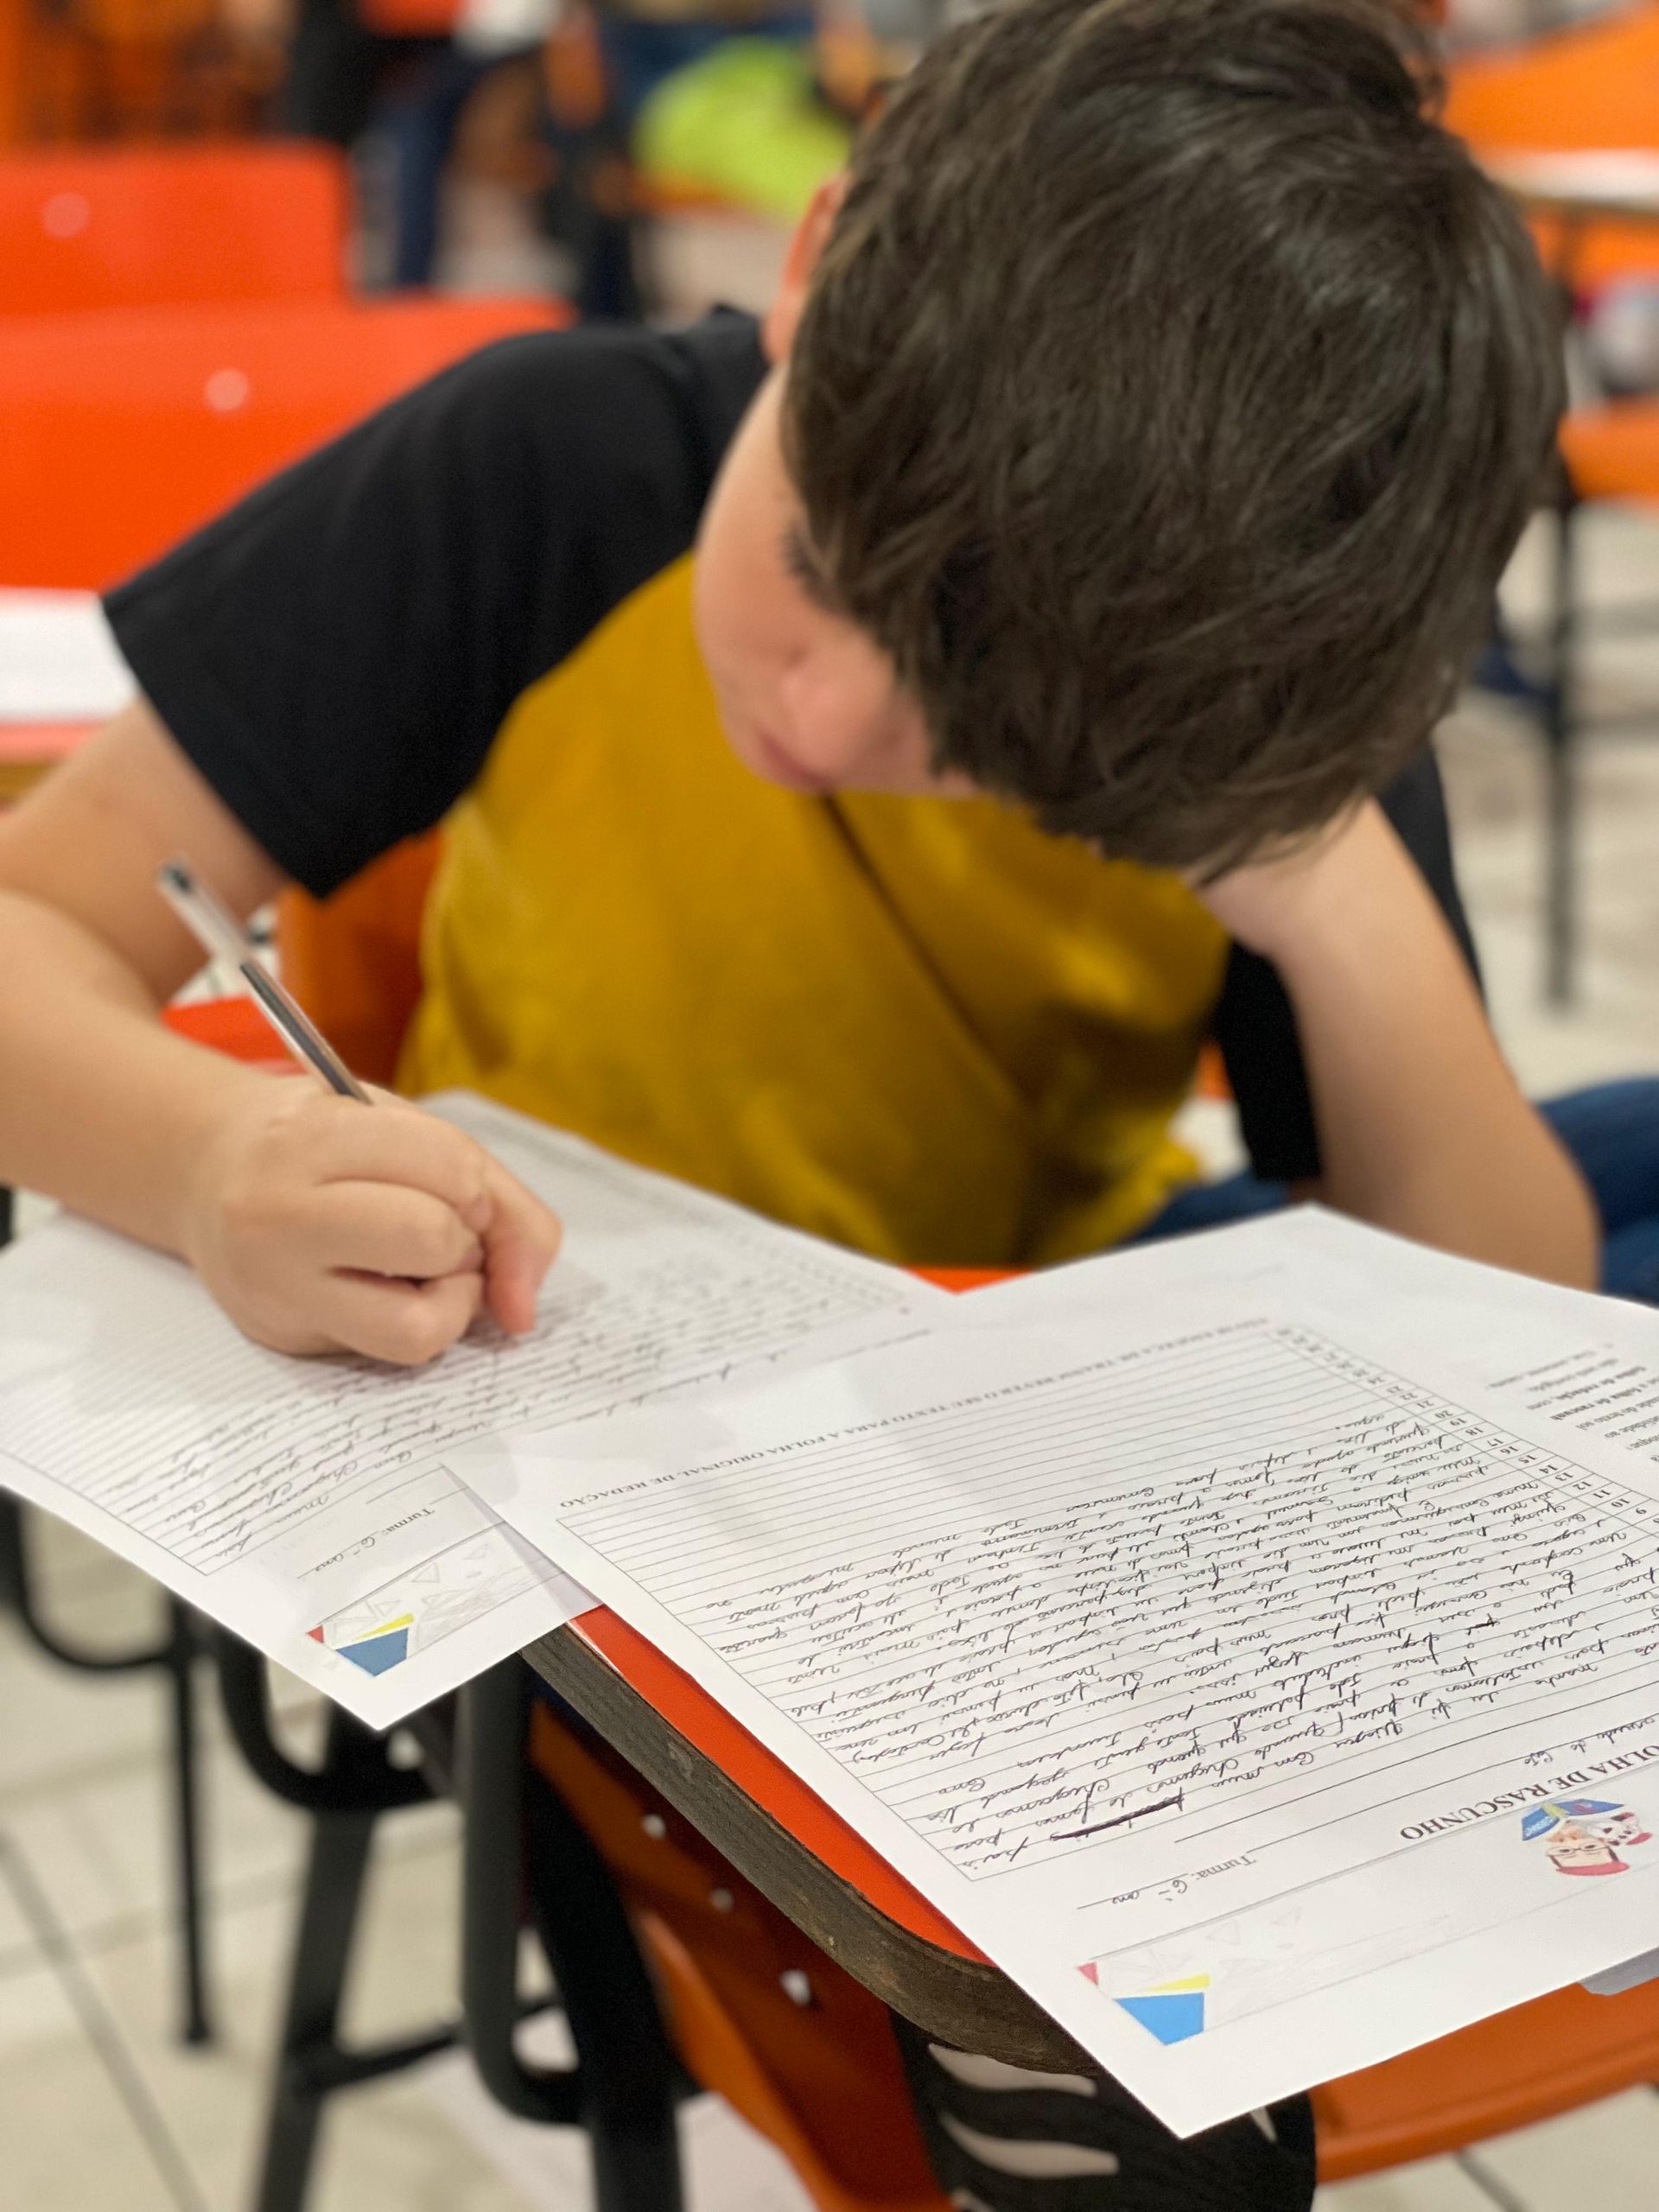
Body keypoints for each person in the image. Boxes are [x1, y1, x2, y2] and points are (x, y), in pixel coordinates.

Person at [0, 0, 1652, 2200]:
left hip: (1024, 1377)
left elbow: (1483, 1301)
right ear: (813, 264)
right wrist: (215, 1158)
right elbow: (37, 925)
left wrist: (1323, 884)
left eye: (980, 735)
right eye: (822, 557)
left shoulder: (1212, 651)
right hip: (590, 1434)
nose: (829, 703)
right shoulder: (556, 462)